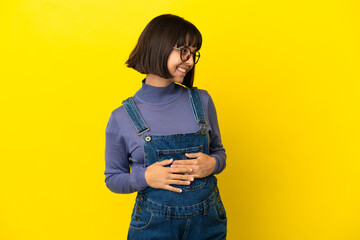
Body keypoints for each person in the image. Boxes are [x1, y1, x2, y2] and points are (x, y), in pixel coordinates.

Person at [104, 14, 227, 240]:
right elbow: (113, 178)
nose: (190, 61)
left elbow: (219, 152)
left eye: (193, 53)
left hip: (207, 223)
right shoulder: (122, 117)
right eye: (183, 51)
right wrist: (146, 178)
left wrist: (214, 163)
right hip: (154, 227)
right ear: (158, 46)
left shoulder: (202, 100)